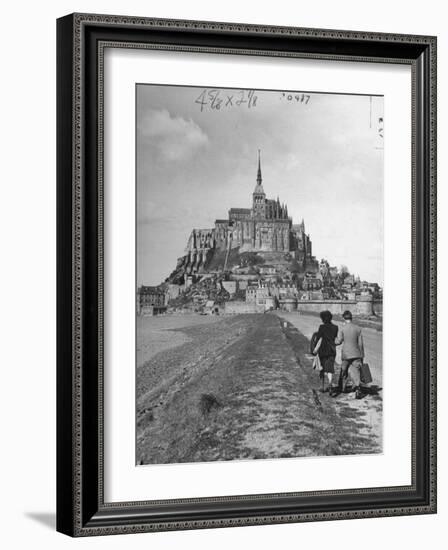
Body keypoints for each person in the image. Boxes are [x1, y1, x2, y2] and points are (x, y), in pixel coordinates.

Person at [335, 310, 365, 399]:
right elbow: (360, 344)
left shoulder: (342, 329)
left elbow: (339, 341)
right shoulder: (358, 329)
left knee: (344, 371)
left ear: (344, 318)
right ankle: (357, 388)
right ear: (351, 318)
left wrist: (334, 340)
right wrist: (362, 355)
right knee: (356, 372)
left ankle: (343, 387)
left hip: (346, 354)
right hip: (356, 354)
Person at [313, 310, 338, 395]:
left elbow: (318, 338)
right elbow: (334, 337)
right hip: (332, 350)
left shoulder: (321, 327)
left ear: (323, 318)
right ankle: (330, 384)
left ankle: (322, 386)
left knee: (322, 368)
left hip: (323, 350)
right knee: (330, 368)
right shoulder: (335, 327)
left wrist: (314, 349)